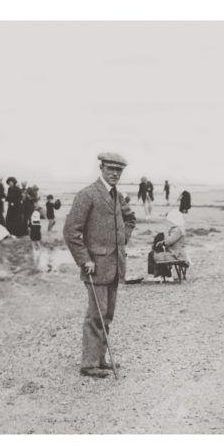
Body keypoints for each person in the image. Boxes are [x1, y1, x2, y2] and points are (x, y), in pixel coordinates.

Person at [63, 152, 136, 378]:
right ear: (101, 168)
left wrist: (121, 240)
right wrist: (85, 259)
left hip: (114, 266)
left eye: (119, 171)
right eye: (111, 169)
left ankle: (100, 359)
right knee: (96, 316)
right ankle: (89, 364)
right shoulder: (87, 195)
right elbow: (71, 232)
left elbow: (130, 219)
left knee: (107, 315)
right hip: (95, 267)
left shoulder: (116, 195)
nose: (115, 174)